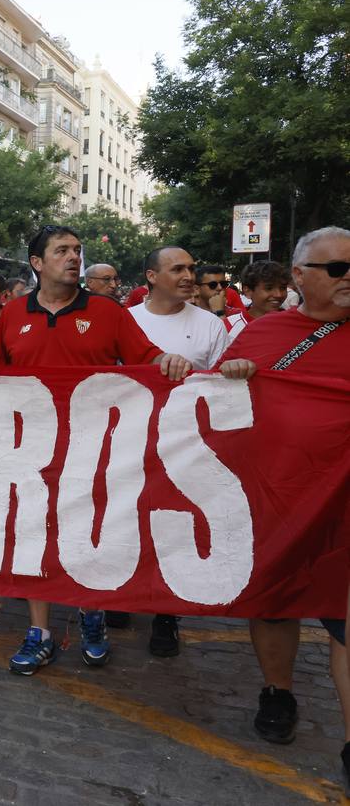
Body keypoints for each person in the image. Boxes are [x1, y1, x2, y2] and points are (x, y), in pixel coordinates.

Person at [0, 225, 192, 675]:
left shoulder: (107, 311)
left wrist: (168, 362)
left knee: (89, 534)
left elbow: (147, 356)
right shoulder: (13, 312)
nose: (73, 257)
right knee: (32, 540)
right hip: (32, 450)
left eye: (77, 250)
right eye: (62, 251)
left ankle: (91, 613)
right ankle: (39, 632)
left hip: (93, 448)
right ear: (37, 263)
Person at [216, 227, 350, 769]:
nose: (349, 279)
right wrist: (232, 376)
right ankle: (278, 691)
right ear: (301, 276)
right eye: (338, 269)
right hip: (282, 498)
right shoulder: (264, 334)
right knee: (276, 599)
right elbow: (215, 414)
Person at [125, 246, 230, 656]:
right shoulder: (126, 320)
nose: (189, 276)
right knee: (129, 519)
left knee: (173, 527)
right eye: (178, 269)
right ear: (152, 276)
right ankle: (124, 597)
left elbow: (222, 386)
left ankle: (165, 613)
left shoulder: (209, 326)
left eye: (191, 269)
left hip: (185, 446)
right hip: (131, 442)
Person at [226, 261, 291, 341]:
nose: (278, 294)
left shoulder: (294, 324)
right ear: (248, 291)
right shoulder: (228, 326)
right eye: (269, 288)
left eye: (283, 288)